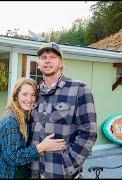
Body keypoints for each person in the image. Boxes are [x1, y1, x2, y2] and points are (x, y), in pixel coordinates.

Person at [28, 42, 97, 179]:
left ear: (61, 63)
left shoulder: (79, 89)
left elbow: (89, 133)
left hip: (61, 172)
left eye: (53, 57)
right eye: (43, 57)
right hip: (33, 171)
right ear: (39, 64)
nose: (47, 60)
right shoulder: (34, 93)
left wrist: (69, 164)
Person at [0, 77, 66, 179]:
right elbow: (13, 157)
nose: (29, 99)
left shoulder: (25, 117)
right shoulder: (11, 121)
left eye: (33, 95)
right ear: (16, 96)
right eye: (25, 94)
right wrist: (41, 147)